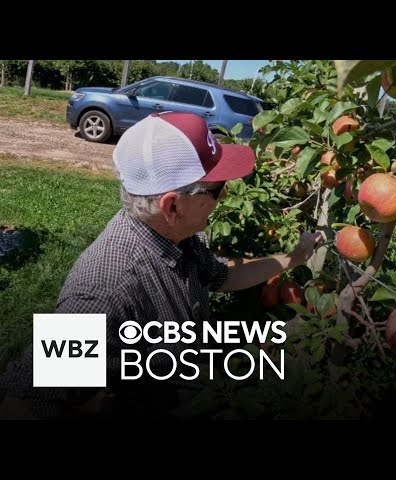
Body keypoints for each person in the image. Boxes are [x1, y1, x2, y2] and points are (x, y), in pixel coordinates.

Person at [0, 111, 322, 419]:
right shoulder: (105, 290)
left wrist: (293, 257)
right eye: (216, 189)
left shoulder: (177, 237)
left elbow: (222, 275)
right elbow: (27, 401)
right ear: (172, 205)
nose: (223, 197)